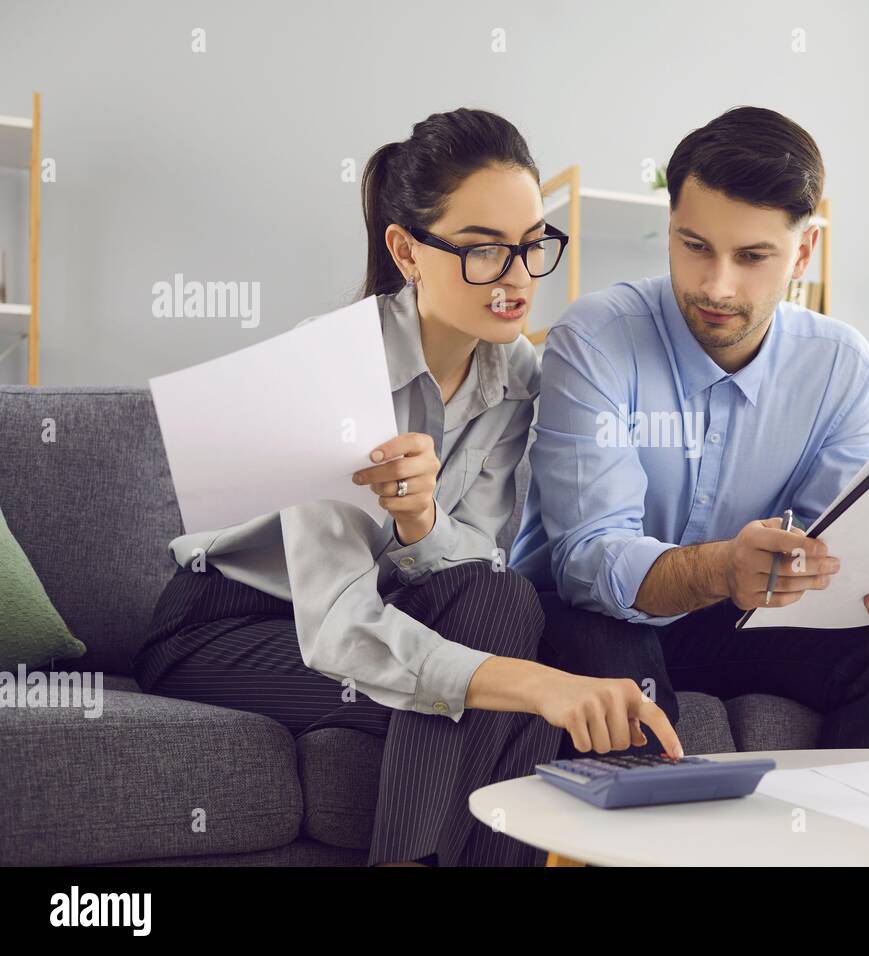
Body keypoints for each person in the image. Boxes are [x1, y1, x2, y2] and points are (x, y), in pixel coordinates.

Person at [131, 108, 681, 868]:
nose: (518, 278)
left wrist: (421, 522)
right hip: (225, 628)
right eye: (485, 250)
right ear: (407, 250)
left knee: (506, 606)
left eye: (532, 246)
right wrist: (540, 686)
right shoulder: (329, 366)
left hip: (404, 612)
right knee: (510, 701)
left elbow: (475, 577)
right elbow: (338, 626)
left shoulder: (519, 379)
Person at [511, 106, 869, 759]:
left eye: (752, 256)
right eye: (695, 247)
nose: (717, 286)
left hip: (734, 623)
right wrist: (722, 568)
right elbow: (587, 559)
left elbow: (828, 546)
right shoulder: (595, 337)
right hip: (589, 615)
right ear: (670, 230)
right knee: (615, 656)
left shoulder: (841, 363)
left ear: (804, 252)